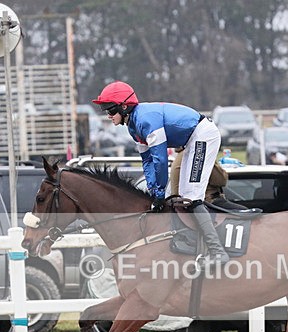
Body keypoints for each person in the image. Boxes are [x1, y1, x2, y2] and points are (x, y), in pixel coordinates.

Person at [92, 81, 229, 266]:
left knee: (193, 198)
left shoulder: (145, 121)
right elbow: (147, 161)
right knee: (185, 198)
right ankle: (199, 245)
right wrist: (152, 189)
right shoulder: (133, 127)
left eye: (109, 110)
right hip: (191, 139)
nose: (107, 115)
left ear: (124, 107)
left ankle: (218, 252)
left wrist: (159, 193)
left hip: (203, 135)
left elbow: (161, 160)